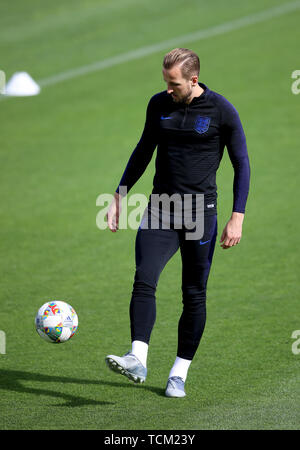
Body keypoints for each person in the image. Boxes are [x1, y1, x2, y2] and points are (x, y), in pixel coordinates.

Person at [105, 48, 250, 397]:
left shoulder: (222, 111)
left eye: (175, 84)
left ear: (194, 80)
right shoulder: (159, 105)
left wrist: (237, 217)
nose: (169, 89)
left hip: (201, 215)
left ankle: (178, 374)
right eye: (166, 82)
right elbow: (143, 150)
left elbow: (242, 163)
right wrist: (119, 195)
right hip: (161, 209)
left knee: (193, 294)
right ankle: (137, 356)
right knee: (144, 278)